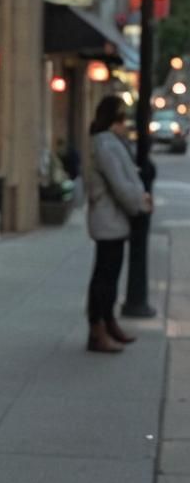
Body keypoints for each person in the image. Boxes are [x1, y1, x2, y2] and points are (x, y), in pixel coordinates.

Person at [85, 95, 151, 353]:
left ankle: (108, 323)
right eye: (123, 118)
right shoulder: (106, 145)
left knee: (109, 275)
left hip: (112, 218)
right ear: (115, 119)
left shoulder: (111, 143)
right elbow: (120, 184)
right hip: (108, 219)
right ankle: (97, 329)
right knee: (105, 276)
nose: (127, 123)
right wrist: (141, 202)